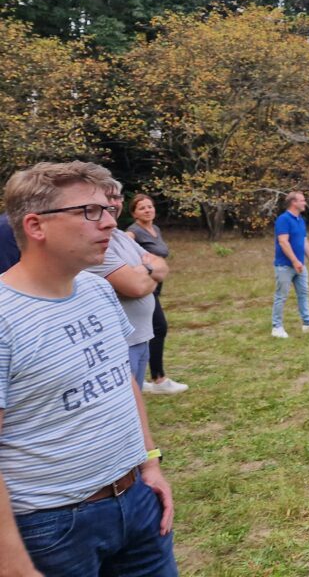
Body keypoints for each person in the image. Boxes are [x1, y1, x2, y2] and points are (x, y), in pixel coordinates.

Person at [0, 160, 176, 575]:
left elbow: (122, 383)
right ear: (35, 226)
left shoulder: (97, 288)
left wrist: (149, 462)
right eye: (88, 212)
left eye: (110, 210)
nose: (110, 225)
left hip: (137, 501)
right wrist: (12, 563)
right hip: (51, 526)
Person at [85, 181, 168, 389]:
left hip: (141, 337)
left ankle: (158, 377)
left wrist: (146, 270)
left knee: (136, 401)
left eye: (117, 197)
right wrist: (149, 270)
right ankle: (159, 378)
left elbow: (163, 267)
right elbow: (135, 287)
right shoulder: (94, 243)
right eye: (107, 197)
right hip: (120, 343)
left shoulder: (121, 236)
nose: (113, 203)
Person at [126, 194, 188, 395]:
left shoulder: (155, 229)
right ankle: (158, 379)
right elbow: (125, 250)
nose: (147, 210)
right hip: (144, 287)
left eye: (150, 207)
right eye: (142, 208)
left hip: (155, 287)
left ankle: (140, 378)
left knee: (147, 331)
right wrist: (145, 268)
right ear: (134, 213)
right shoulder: (132, 232)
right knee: (158, 327)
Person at [271, 191, 309, 339]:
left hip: (300, 265)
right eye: (302, 200)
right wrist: (294, 261)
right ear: (293, 203)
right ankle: (277, 328)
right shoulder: (283, 220)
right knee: (281, 296)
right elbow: (283, 241)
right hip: (285, 266)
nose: (305, 203)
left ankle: (308, 324)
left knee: (303, 294)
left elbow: (304, 241)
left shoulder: (300, 220)